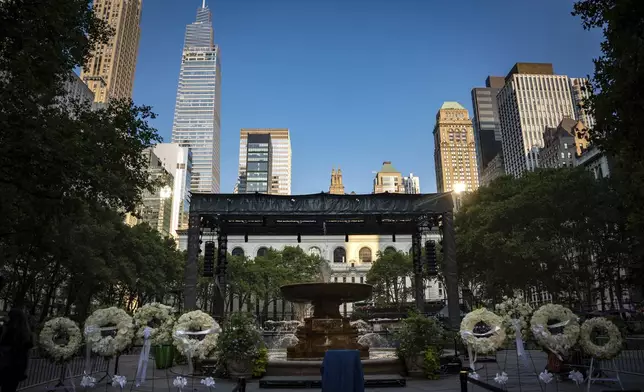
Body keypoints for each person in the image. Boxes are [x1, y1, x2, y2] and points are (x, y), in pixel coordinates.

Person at [0, 308, 33, 392]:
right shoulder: (27, 334)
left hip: (4, 365)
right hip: (17, 368)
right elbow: (27, 352)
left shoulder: (6, 330)